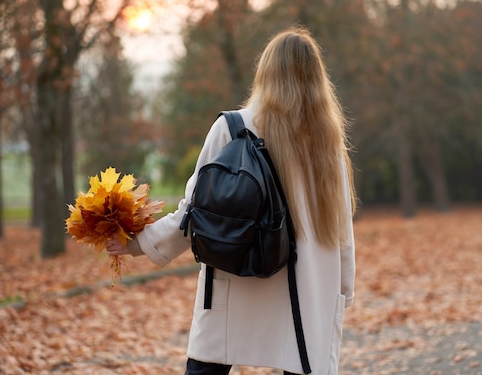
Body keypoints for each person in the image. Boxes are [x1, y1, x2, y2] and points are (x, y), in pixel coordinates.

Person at [107, 27, 357, 375]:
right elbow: (342, 226)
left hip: (237, 277)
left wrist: (139, 244)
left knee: (209, 366)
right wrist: (343, 288)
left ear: (265, 72)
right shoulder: (327, 141)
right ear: (317, 77)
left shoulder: (233, 128)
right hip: (309, 286)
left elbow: (194, 212)